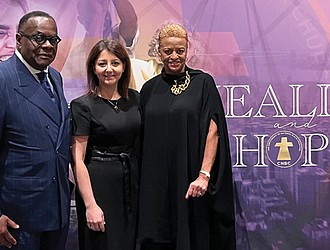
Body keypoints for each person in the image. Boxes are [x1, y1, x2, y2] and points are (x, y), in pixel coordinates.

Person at [137, 23, 236, 250]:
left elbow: (214, 130)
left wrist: (204, 175)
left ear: (187, 49)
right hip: (156, 183)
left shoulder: (203, 82)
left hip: (192, 178)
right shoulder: (149, 89)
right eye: (168, 51)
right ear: (158, 51)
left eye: (180, 50)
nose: (174, 56)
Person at [0, 10, 72, 250]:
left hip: (57, 208)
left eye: (53, 40)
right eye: (39, 38)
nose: (48, 45)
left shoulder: (55, 77)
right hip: (17, 215)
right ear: (19, 40)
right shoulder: (3, 78)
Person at [71, 39, 140, 250]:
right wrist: (91, 205)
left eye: (115, 63)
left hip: (132, 184)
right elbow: (78, 160)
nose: (109, 69)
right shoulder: (82, 106)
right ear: (93, 67)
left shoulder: (136, 99)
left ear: (124, 66)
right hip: (98, 185)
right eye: (102, 64)